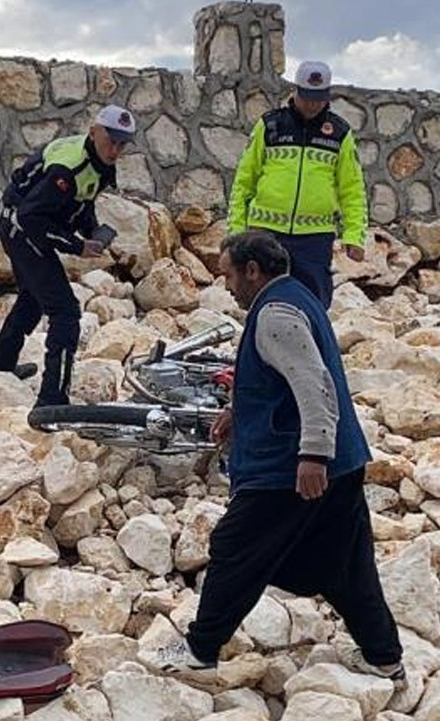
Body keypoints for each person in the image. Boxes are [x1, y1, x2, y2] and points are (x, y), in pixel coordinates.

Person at [148, 231, 404, 679]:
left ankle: (200, 648)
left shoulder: (275, 315)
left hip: (291, 468)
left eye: (229, 274)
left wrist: (313, 456)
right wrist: (236, 411)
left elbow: (312, 384)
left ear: (252, 270)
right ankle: (384, 657)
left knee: (233, 547)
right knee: (344, 563)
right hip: (343, 461)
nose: (226, 286)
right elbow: (278, 378)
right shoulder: (297, 297)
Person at [0, 105, 135, 407]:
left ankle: (0, 371)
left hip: (26, 224)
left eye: (123, 144)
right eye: (112, 141)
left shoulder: (97, 161)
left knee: (32, 298)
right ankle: (52, 399)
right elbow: (32, 219)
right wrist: (77, 246)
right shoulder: (67, 169)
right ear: (94, 132)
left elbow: (83, 202)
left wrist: (92, 231)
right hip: (21, 227)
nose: (116, 150)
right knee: (66, 311)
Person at [227, 60, 368, 310]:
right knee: (261, 303)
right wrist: (237, 232)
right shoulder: (270, 126)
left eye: (319, 98)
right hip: (266, 233)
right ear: (295, 91)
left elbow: (352, 190)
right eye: (307, 97)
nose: (313, 104)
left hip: (313, 240)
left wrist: (354, 235)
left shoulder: (339, 133)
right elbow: (244, 182)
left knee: (313, 305)